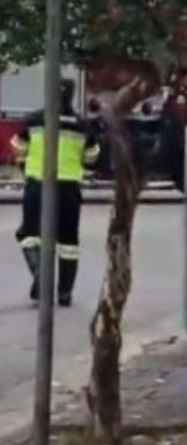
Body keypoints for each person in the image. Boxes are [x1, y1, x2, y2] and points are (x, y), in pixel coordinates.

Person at [11, 79, 100, 307]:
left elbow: (18, 148)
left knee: (29, 233)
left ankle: (41, 274)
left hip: (38, 184)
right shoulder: (82, 125)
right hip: (69, 188)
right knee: (68, 242)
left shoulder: (33, 120)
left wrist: (24, 164)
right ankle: (64, 293)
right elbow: (92, 157)